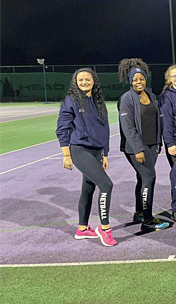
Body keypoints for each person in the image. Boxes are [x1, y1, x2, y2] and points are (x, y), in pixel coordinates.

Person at [56, 68, 116, 246]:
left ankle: (82, 229)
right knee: (106, 185)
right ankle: (104, 229)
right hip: (80, 150)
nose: (84, 82)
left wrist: (105, 153)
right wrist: (66, 155)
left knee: (88, 189)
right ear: (75, 82)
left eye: (87, 79)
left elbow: (104, 129)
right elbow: (62, 128)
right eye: (80, 80)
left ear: (94, 81)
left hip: (97, 151)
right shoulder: (71, 100)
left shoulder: (98, 101)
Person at [117, 58, 170, 232]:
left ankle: (139, 212)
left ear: (145, 79)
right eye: (135, 79)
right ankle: (147, 220)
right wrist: (138, 149)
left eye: (141, 79)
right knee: (149, 178)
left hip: (152, 146)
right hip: (135, 148)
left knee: (142, 179)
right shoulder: (126, 99)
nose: (138, 82)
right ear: (130, 81)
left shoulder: (152, 95)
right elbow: (128, 127)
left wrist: (157, 143)